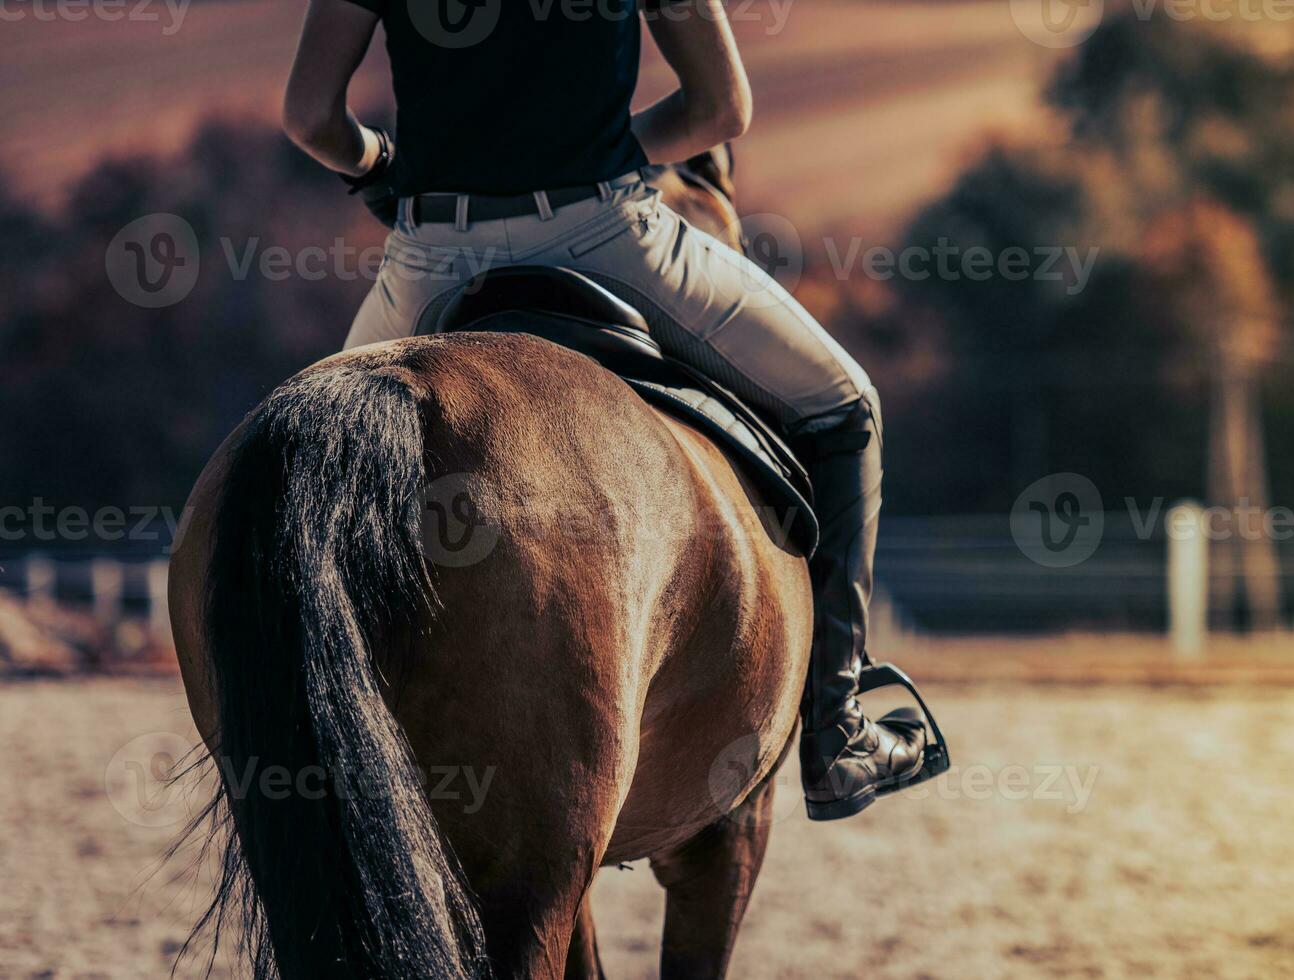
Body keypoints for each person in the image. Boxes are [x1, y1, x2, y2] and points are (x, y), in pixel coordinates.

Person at [280, 0, 941, 819]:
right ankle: (835, 733)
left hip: (432, 259)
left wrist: (383, 165)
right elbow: (719, 110)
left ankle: (297, 752)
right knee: (846, 408)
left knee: (312, 466)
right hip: (604, 234)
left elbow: (310, 116)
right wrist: (594, 152)